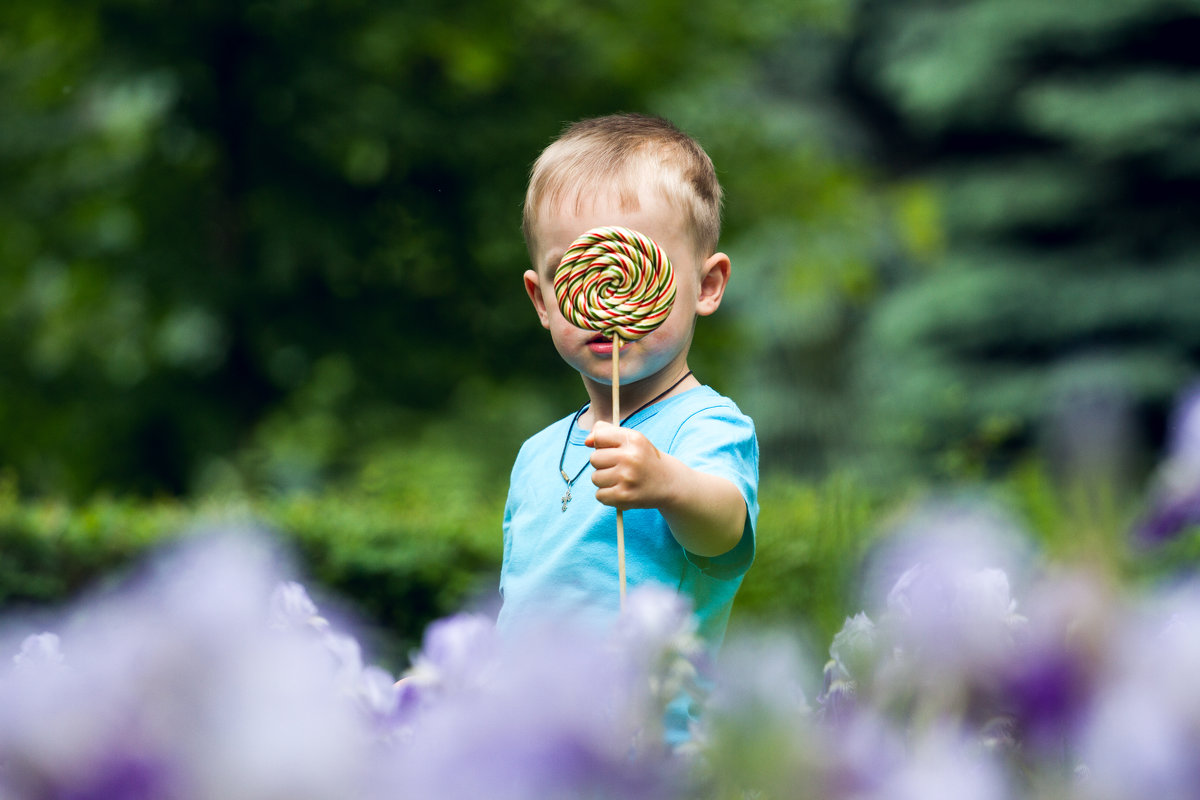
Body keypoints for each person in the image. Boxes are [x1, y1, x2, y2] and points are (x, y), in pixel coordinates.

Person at [497, 113, 758, 668]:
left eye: (631, 267)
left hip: (647, 733)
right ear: (542, 298)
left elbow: (723, 532)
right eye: (576, 270)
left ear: (706, 285)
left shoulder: (706, 426)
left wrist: (668, 484)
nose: (607, 294)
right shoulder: (536, 454)